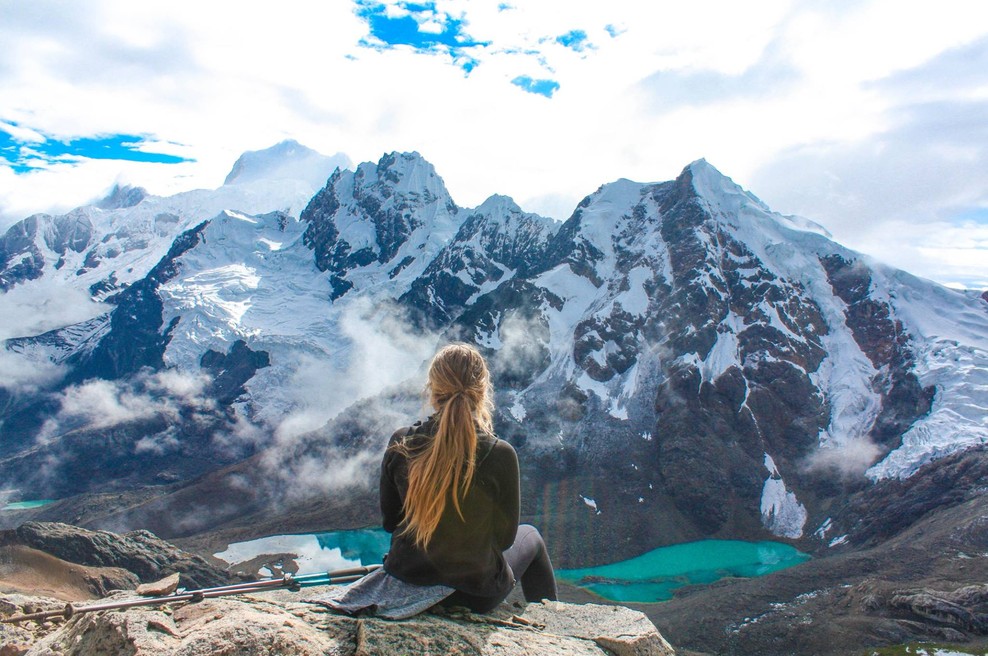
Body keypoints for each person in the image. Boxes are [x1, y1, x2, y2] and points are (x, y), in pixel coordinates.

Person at [379, 342, 557, 613]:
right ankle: (553, 636)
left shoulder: (402, 441)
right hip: (474, 594)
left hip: (408, 580)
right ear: (482, 392)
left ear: (432, 390)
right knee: (530, 536)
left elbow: (391, 521)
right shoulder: (500, 453)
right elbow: (506, 540)